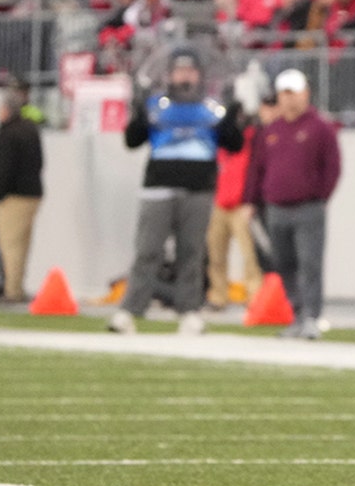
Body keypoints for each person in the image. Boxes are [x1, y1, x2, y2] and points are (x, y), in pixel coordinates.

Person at [108, 47, 244, 336]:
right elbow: (132, 141)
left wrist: (233, 118)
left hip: (198, 189)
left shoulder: (212, 108)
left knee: (192, 254)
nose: (185, 75)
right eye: (180, 70)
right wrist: (138, 113)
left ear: (199, 74)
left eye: (190, 70)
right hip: (158, 187)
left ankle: (189, 310)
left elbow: (234, 144)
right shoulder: (157, 105)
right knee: (147, 251)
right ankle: (130, 310)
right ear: (169, 74)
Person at [243, 69, 341, 341]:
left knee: (309, 264)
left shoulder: (319, 127)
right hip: (276, 207)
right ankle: (297, 314)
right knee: (284, 264)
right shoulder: (270, 131)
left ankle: (311, 316)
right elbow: (257, 168)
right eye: (284, 93)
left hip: (307, 207)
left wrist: (320, 196)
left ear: (305, 93)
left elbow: (332, 167)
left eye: (293, 92)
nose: (289, 99)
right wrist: (251, 200)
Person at [204, 99, 263, 311]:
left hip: (240, 205)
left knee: (249, 255)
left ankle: (255, 295)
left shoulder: (249, 140)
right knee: (216, 254)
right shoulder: (221, 146)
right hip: (220, 204)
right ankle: (218, 295)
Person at [0, 88, 44, 303]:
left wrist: (0, 193)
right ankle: (17, 287)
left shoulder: (8, 133)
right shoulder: (31, 130)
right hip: (33, 193)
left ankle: (12, 290)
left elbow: (3, 168)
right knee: (23, 244)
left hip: (13, 196)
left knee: (10, 245)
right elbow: (40, 162)